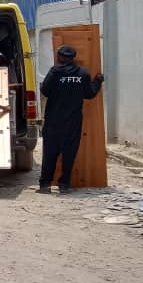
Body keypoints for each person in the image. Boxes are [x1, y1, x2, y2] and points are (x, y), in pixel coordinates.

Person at [38, 45, 104, 195]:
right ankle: (64, 185)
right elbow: (90, 93)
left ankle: (45, 184)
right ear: (72, 58)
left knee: (50, 153)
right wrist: (98, 81)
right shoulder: (83, 73)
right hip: (73, 122)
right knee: (69, 153)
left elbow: (45, 91)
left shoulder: (55, 71)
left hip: (53, 121)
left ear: (61, 57)